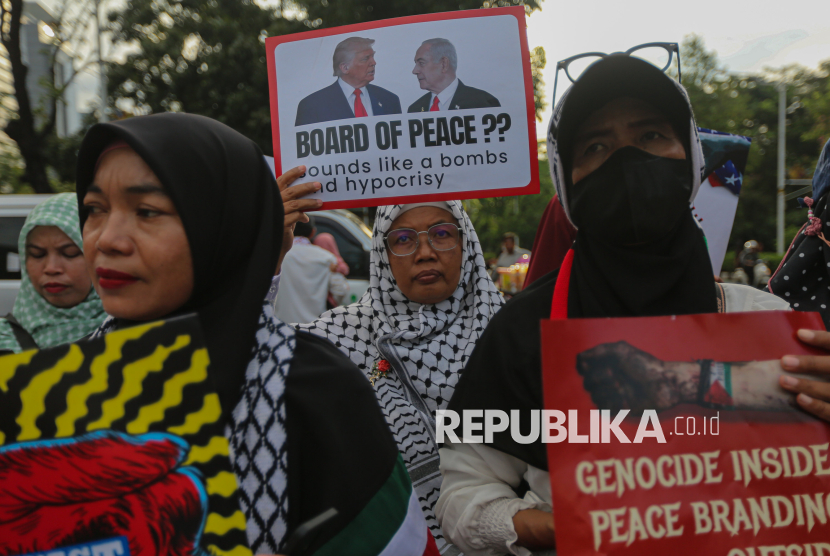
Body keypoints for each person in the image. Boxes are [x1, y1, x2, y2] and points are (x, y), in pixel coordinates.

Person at [436, 54, 791, 556]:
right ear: (567, 180)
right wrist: (564, 526)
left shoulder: (766, 323)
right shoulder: (523, 331)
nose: (627, 160)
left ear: (690, 157)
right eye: (596, 146)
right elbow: (460, 495)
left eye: (651, 135)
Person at [74, 113, 437, 556]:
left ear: (224, 227)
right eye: (94, 209)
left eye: (147, 212)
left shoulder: (315, 390)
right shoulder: (59, 387)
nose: (106, 239)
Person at [298, 200, 504, 554]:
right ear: (383, 254)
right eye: (404, 239)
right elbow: (255, 358)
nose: (425, 253)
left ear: (466, 243)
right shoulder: (339, 337)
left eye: (442, 233)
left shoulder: (510, 332)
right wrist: (266, 250)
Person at [0, 193, 106, 354]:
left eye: (70, 253)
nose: (51, 268)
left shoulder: (135, 335)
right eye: (37, 254)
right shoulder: (4, 340)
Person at [295, 36, 402, 126]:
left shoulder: (389, 100)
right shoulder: (312, 105)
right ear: (345, 68)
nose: (373, 62)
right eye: (365, 59)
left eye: (372, 57)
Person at [274, 218, 349, 323]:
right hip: (314, 327)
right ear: (313, 232)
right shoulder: (327, 258)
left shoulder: (277, 256)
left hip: (281, 325)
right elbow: (340, 291)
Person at [408, 39, 500, 113]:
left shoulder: (483, 103)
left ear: (444, 64)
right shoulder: (415, 109)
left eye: (421, 63)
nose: (414, 71)